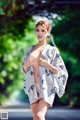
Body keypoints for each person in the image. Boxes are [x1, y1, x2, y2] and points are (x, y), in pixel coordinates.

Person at [20, 19, 68, 120]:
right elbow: (23, 69)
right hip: (32, 87)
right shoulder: (29, 49)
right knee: (35, 118)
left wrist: (47, 64)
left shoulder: (52, 50)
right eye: (37, 30)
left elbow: (61, 71)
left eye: (43, 30)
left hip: (47, 87)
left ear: (48, 33)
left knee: (39, 115)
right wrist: (26, 66)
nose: (39, 33)